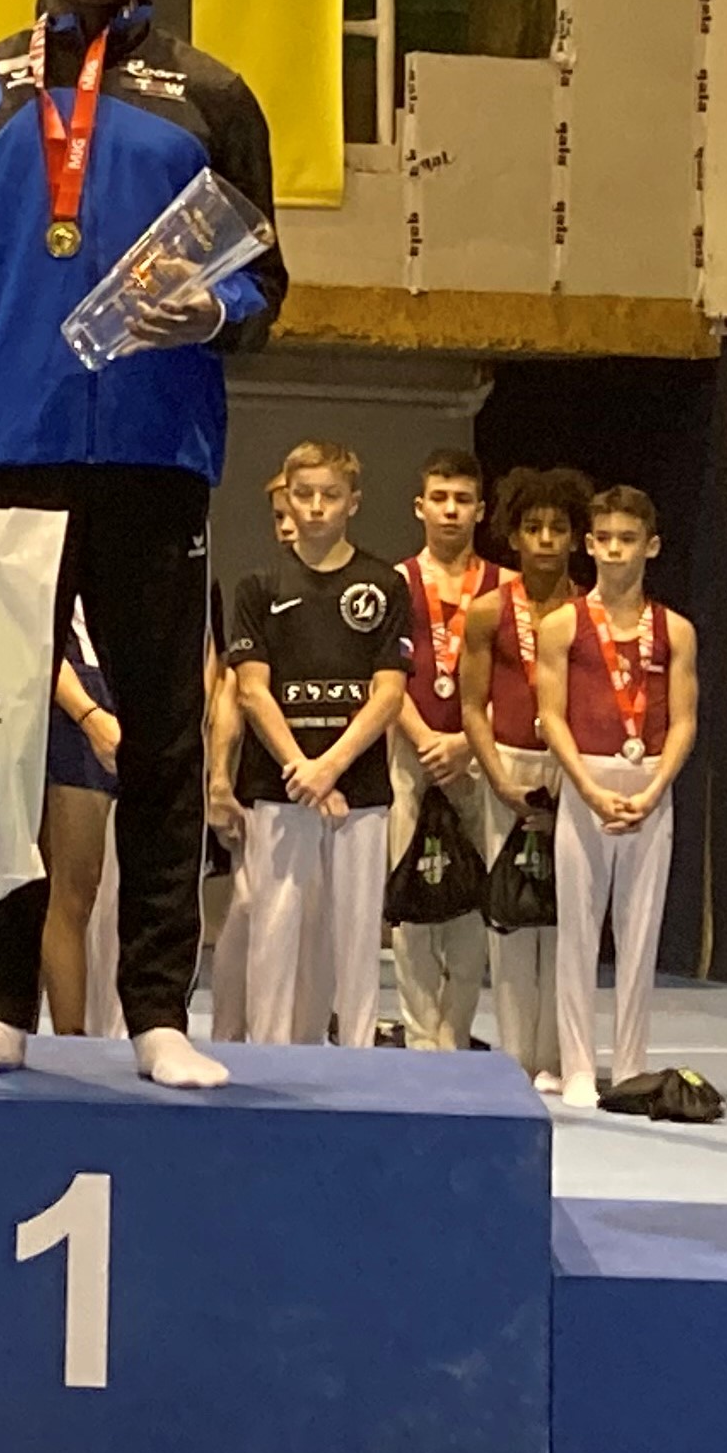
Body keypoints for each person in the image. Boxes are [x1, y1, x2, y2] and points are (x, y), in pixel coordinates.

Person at [0, 0, 288, 1088]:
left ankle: (158, 1012)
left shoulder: (212, 97)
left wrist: (215, 312)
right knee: (0, 736)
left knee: (164, 739)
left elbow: (266, 281)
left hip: (158, 457)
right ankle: (1, 1004)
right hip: (4, 464)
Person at [229, 441, 410, 1048]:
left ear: (352, 502)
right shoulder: (259, 586)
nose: (314, 507)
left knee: (357, 938)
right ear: (287, 498)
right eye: (303, 495)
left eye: (329, 495)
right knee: (273, 931)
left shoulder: (383, 585)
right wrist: (300, 767)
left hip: (358, 785)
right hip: (280, 783)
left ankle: (356, 1057)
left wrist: (330, 767)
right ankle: (269, 1059)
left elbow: (388, 693)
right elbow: (252, 691)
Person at [533, 485, 699, 1107]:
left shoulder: (675, 630)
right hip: (588, 780)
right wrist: (586, 787)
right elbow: (552, 716)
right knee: (577, 932)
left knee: (640, 932)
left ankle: (630, 1064)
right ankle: (578, 1065)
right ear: (588, 544)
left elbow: (683, 720)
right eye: (603, 539)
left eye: (627, 540)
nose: (614, 551)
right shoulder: (563, 625)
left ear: (650, 547)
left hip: (650, 782)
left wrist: (656, 788)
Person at [458, 466, 589, 1089]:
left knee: (566, 913)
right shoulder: (487, 612)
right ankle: (516, 1054)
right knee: (510, 914)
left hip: (572, 765)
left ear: (575, 539)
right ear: (513, 537)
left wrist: (582, 777)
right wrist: (497, 779)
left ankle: (557, 1054)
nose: (545, 540)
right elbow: (470, 707)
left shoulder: (588, 613)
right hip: (508, 762)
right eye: (533, 528)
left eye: (557, 529)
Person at [389, 450, 502, 1052]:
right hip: (410, 752)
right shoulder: (394, 582)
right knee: (410, 892)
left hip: (479, 753)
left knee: (470, 895)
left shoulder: (506, 589)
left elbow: (518, 682)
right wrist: (425, 739)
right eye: (440, 498)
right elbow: (384, 674)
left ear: (480, 510)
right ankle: (417, 1037)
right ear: (419, 507)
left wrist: (464, 742)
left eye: (462, 500)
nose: (451, 510)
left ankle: (454, 1034)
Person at [205, 472, 295, 1042]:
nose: (289, 526)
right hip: (265, 784)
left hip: (340, 784)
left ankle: (307, 1041)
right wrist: (219, 778)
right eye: (279, 516)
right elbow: (232, 692)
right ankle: (232, 1038)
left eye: (296, 511)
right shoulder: (259, 593)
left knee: (313, 926)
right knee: (248, 908)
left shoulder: (363, 588)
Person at [41, 601, 120, 1035]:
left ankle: (121, 1027)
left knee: (108, 892)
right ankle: (70, 1036)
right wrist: (87, 715)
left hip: (122, 694)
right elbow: (38, 635)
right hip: (74, 706)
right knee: (72, 891)